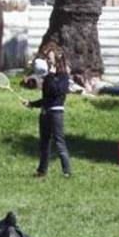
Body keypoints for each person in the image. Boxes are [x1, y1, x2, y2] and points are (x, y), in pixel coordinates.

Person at [33, 49, 73, 179]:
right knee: (44, 143)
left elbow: (57, 92)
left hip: (56, 114)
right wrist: (32, 104)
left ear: (57, 59)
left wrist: (50, 76)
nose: (48, 60)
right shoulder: (47, 77)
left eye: (50, 58)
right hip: (44, 113)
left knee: (59, 142)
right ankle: (42, 170)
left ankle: (67, 171)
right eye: (47, 58)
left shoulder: (63, 76)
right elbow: (47, 98)